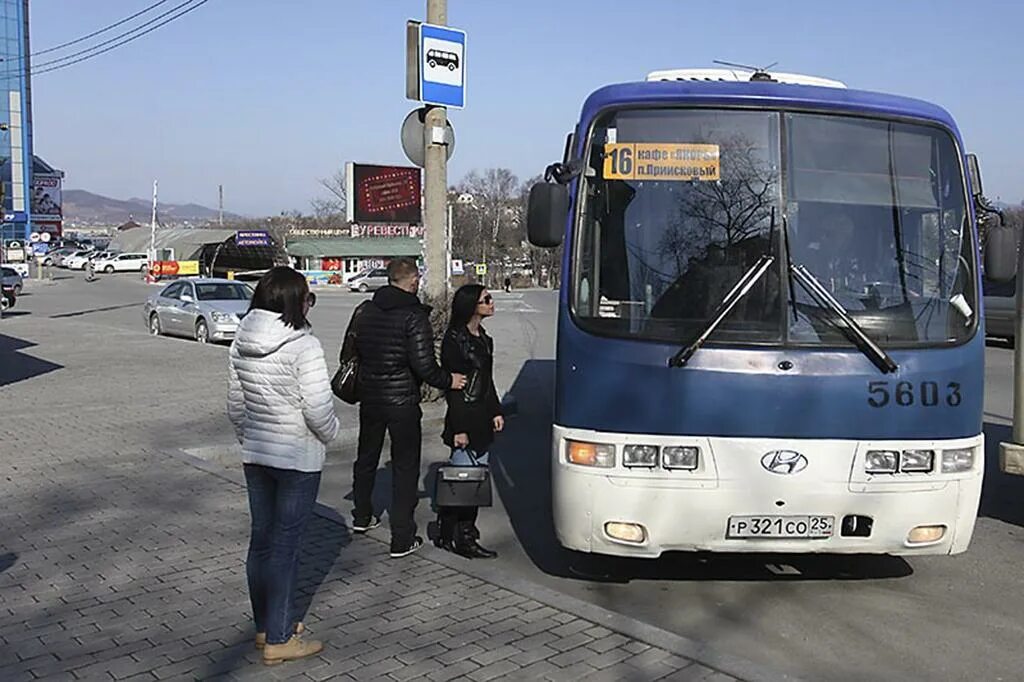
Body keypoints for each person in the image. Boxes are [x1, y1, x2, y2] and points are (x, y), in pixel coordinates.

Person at [227, 266, 339, 666]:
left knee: (262, 541)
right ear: (295, 301)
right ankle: (279, 638)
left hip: (256, 454)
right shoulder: (305, 346)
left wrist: (250, 438)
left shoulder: (242, 337)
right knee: (286, 548)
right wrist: (330, 434)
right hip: (296, 457)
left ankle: (266, 626)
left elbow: (236, 405)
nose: (310, 303)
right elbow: (318, 408)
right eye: (308, 296)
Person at [351, 257, 466, 558]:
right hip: (402, 401)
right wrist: (448, 380)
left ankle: (362, 516)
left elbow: (351, 351)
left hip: (370, 397)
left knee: (366, 457)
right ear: (413, 280)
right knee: (404, 467)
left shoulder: (365, 309)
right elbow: (424, 365)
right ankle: (402, 538)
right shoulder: (414, 316)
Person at [436, 284, 504, 559]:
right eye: (486, 299)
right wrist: (459, 429)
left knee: (473, 483)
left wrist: (496, 411)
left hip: (482, 418)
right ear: (471, 306)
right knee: (465, 484)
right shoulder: (455, 340)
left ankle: (449, 530)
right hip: (464, 418)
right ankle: (463, 538)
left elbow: (486, 382)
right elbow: (454, 392)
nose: (491, 303)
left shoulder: (484, 338)